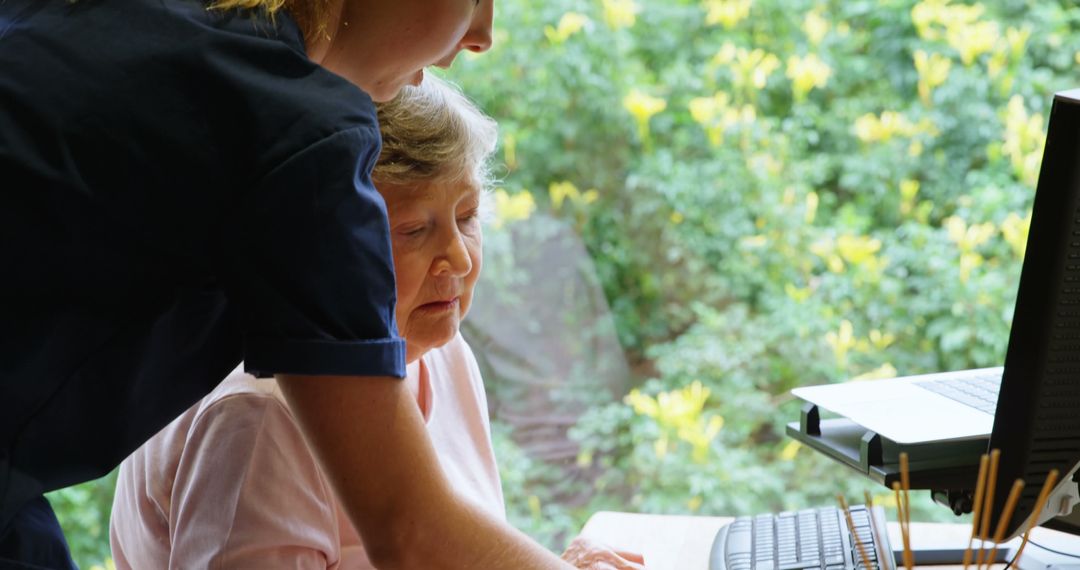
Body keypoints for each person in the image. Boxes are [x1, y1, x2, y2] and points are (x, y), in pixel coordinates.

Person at [0, 0, 611, 568]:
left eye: (468, 217)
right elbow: (410, 528)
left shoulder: (161, 27)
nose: (483, 34)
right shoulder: (301, 131)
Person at [108, 75, 645, 570]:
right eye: (413, 229)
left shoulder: (442, 353)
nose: (458, 260)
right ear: (330, 240)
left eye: (467, 217)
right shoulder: (257, 414)